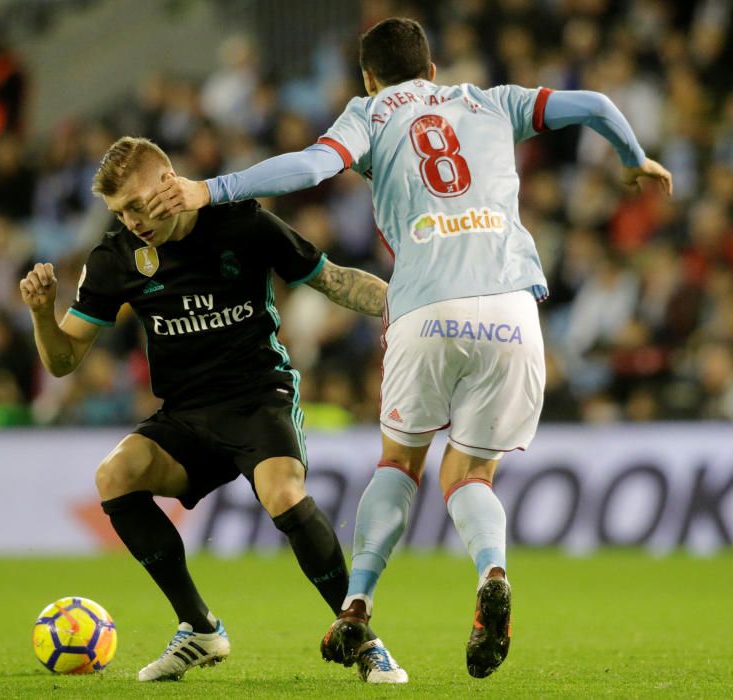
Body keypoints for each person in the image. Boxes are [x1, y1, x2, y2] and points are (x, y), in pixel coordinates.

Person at [146, 17, 673, 681]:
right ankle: (492, 572)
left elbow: (311, 166)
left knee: (399, 462)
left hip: (425, 305)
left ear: (368, 77)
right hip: (510, 303)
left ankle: (357, 604)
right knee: (470, 474)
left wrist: (209, 188)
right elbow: (595, 105)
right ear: (431, 70)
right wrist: (633, 159)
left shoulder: (367, 113)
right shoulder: (491, 99)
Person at [18, 135, 404, 684]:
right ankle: (199, 627)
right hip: (187, 414)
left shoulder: (241, 224)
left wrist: (408, 306)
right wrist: (40, 315)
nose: (131, 221)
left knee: (284, 495)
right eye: (119, 211)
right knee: (115, 476)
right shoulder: (115, 258)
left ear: (168, 181)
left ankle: (364, 641)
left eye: (137, 204)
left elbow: (334, 280)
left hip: (258, 396)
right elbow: (63, 361)